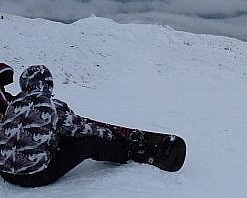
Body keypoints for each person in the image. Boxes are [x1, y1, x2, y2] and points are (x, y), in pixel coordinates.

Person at [0, 65, 147, 187]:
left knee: (57, 133)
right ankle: (125, 153)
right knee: (89, 143)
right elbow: (81, 129)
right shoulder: (52, 106)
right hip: (34, 176)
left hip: (6, 173)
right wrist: (112, 135)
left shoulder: (11, 106)